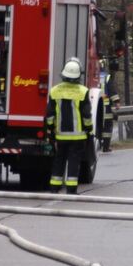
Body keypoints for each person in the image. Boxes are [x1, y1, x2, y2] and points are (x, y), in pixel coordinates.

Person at [45, 58, 92, 195]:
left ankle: (54, 187)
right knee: (74, 161)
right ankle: (71, 189)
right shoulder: (83, 91)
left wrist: (50, 129)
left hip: (60, 135)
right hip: (78, 136)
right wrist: (89, 129)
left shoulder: (54, 91)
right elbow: (86, 115)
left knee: (59, 159)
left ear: (64, 75)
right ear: (78, 76)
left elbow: (50, 114)